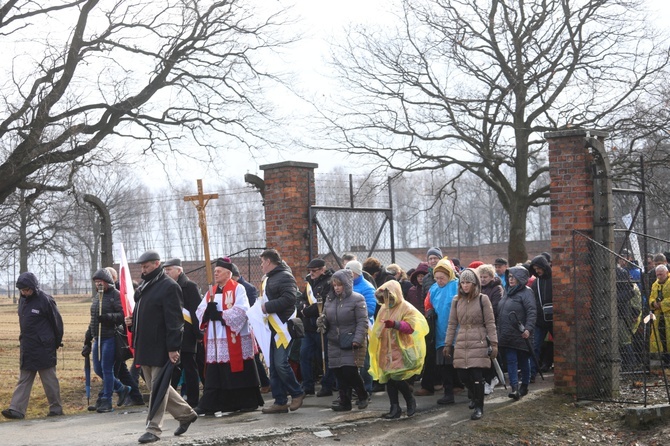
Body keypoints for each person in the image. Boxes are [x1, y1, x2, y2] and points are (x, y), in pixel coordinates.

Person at [126, 250, 197, 444]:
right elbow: (144, 311)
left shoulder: (169, 286)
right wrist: (132, 321)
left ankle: (154, 429)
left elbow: (175, 320)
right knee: (155, 385)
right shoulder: (145, 286)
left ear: (156, 264)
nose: (143, 269)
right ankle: (186, 414)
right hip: (144, 345)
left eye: (146, 266)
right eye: (142, 266)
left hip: (161, 346)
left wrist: (173, 347)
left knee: (158, 388)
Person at [194, 258, 263, 414]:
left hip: (233, 335)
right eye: (215, 271)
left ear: (228, 273)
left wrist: (219, 314)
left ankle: (246, 402)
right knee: (215, 372)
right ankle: (210, 404)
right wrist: (207, 313)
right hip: (215, 338)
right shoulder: (210, 292)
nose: (215, 274)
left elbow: (242, 310)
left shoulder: (238, 289)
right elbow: (199, 310)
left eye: (218, 271)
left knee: (237, 371)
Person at [2, 272, 64, 420]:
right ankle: (16, 409)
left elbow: (57, 323)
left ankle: (56, 408)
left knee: (49, 380)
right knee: (24, 379)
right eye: (22, 290)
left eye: (27, 290)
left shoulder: (46, 300)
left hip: (44, 347)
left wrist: (55, 342)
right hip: (28, 347)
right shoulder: (22, 301)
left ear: (34, 287)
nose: (25, 292)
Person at [444, 268, 498, 421]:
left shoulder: (483, 299)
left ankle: (479, 406)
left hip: (479, 339)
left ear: (475, 284)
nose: (465, 285)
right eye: (462, 282)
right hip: (462, 340)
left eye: (468, 282)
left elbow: (490, 322)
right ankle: (474, 396)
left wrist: (494, 343)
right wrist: (447, 344)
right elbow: (452, 323)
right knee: (462, 375)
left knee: (476, 375)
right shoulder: (456, 300)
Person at [369, 280, 429, 419]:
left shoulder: (406, 308)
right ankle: (394, 408)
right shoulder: (384, 309)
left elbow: (413, 327)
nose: (386, 300)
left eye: (389, 297)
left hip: (401, 348)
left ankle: (409, 399)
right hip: (386, 348)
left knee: (396, 377)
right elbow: (378, 327)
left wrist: (395, 324)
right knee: (389, 378)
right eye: (383, 298)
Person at [259, 249, 305, 414]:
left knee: (281, 363)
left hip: (283, 327)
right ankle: (280, 401)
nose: (262, 265)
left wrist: (267, 307)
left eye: (263, 262)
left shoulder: (285, 276)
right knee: (274, 366)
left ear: (270, 262)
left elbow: (290, 299)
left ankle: (297, 392)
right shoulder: (270, 278)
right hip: (272, 327)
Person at [316, 269, 369, 411]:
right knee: (338, 373)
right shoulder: (330, 299)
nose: (337, 288)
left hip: (350, 340)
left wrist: (358, 339)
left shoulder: (357, 299)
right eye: (334, 285)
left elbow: (362, 321)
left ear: (346, 284)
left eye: (339, 285)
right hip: (334, 340)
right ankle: (345, 402)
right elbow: (327, 318)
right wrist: (322, 322)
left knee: (349, 372)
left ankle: (362, 395)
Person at [83, 268, 131, 413]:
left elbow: (122, 315)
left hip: (110, 337)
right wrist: (88, 338)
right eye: (96, 282)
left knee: (107, 369)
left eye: (100, 282)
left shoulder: (115, 295)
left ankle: (107, 401)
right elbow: (93, 320)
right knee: (98, 369)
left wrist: (108, 317)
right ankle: (121, 389)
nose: (98, 285)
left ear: (107, 282)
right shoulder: (97, 297)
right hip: (98, 337)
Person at [164, 258, 203, 408]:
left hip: (188, 334)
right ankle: (169, 400)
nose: (166, 273)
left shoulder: (189, 286)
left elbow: (196, 312)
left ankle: (193, 401)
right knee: (172, 368)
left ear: (179, 270)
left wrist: (198, 333)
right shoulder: (167, 287)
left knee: (190, 368)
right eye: (165, 270)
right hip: (172, 334)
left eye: (169, 270)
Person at [420, 258, 459, 403]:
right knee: (444, 364)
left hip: (457, 330)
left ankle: (469, 390)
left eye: (442, 278)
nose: (439, 281)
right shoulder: (434, 289)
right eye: (436, 278)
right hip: (440, 330)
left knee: (459, 363)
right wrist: (429, 311)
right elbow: (428, 303)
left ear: (449, 275)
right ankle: (448, 393)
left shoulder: (457, 285)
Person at [105, 266, 145, 406]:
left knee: (117, 369)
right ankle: (135, 396)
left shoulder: (122, 292)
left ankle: (106, 398)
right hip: (120, 335)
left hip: (125, 335)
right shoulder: (107, 293)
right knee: (121, 369)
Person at [296, 258, 336, 397]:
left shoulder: (329, 282)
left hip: (322, 326)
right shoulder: (310, 283)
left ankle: (327, 385)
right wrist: (302, 307)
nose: (311, 273)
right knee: (304, 355)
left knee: (326, 357)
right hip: (308, 327)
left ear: (322, 270)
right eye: (310, 271)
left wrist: (306, 311)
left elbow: (323, 302)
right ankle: (308, 385)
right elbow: (301, 299)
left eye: (314, 271)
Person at [496, 266, 536, 400]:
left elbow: (531, 311)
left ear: (521, 278)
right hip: (507, 334)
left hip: (521, 333)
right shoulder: (507, 291)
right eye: (509, 276)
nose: (510, 279)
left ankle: (524, 385)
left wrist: (528, 329)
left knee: (524, 360)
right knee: (511, 360)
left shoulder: (527, 292)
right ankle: (514, 388)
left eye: (513, 276)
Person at [231, 262, 271, 393]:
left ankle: (265, 382)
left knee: (254, 356)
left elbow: (252, 307)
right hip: (235, 326)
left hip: (249, 326)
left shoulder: (247, 287)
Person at [345, 260, 377, 394]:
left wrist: (349, 313)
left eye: (349, 272)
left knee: (364, 360)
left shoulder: (367, 288)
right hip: (348, 327)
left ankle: (366, 388)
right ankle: (354, 388)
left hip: (363, 327)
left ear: (356, 272)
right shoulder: (345, 286)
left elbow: (370, 309)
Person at [477, 264, 504, 394]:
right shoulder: (478, 289)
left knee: (491, 352)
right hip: (479, 325)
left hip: (492, 324)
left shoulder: (497, 289)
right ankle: (489, 378)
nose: (482, 279)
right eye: (480, 277)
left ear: (491, 277)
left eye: (485, 277)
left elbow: (495, 307)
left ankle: (491, 378)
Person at [530, 254, 553, 380]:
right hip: (540, 320)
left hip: (552, 319)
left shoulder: (553, 279)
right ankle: (532, 373)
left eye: (538, 268)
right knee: (535, 347)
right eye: (535, 268)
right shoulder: (536, 282)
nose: (537, 271)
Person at [649, 264, 670, 366]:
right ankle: (665, 358)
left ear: (667, 273)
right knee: (661, 337)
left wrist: (661, 304)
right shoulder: (655, 285)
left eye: (661, 274)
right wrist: (653, 303)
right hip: (659, 316)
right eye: (657, 275)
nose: (659, 276)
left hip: (668, 314)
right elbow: (651, 297)